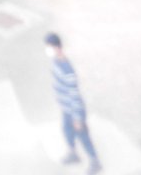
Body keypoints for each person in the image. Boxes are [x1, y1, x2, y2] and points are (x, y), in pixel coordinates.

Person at [45, 32, 102, 174]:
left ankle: (95, 161)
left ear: (57, 48)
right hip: (66, 108)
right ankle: (73, 154)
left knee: (83, 136)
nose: (47, 50)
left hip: (74, 110)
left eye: (49, 47)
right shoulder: (56, 61)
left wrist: (77, 118)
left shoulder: (68, 71)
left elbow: (74, 96)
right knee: (66, 130)